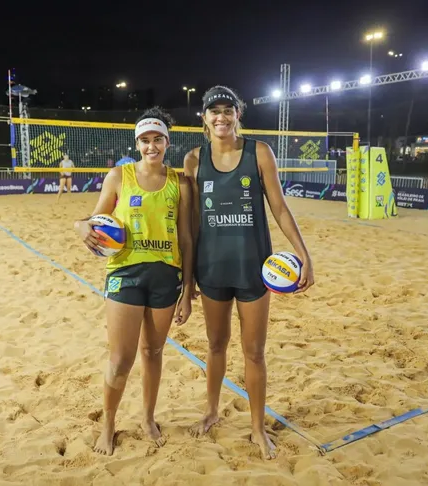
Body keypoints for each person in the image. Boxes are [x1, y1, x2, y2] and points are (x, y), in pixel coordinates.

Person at [183, 86, 315, 460]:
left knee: (254, 352)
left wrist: (304, 255)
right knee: (214, 345)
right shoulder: (194, 159)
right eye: (214, 111)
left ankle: (257, 427)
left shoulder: (259, 152)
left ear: (238, 114)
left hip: (254, 268)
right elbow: (190, 225)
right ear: (204, 118)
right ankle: (210, 411)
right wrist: (188, 277)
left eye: (228, 110)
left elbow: (280, 208)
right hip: (211, 268)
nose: (221, 117)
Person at [75, 107, 193, 456]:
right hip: (125, 274)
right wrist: (80, 226)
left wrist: (187, 290)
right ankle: (108, 425)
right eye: (145, 140)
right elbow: (94, 217)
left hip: (166, 276)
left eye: (158, 139)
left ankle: (147, 417)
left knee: (153, 352)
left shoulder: (181, 182)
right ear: (137, 142)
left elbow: (187, 238)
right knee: (121, 359)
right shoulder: (118, 176)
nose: (151, 145)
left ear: (167, 142)